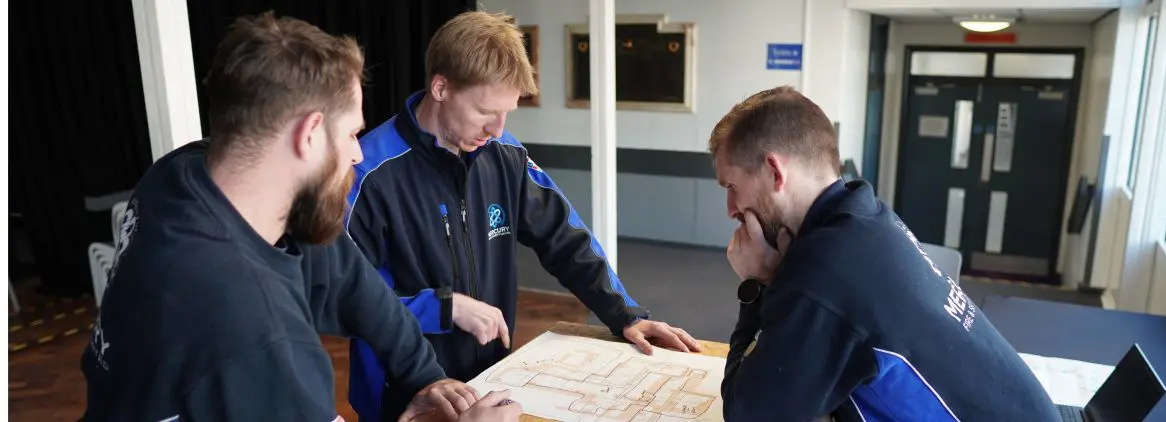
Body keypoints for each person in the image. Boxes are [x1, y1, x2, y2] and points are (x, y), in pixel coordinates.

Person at [78, 12, 522, 422]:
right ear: (309, 134)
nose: (358, 152)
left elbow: (351, 283)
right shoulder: (250, 321)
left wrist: (424, 374)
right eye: (351, 133)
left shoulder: (181, 174)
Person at [344, 10, 703, 422]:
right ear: (440, 87)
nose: (497, 129)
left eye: (507, 113)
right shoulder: (365, 172)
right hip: (405, 398)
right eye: (485, 112)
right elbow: (343, 301)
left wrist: (625, 315)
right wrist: (442, 308)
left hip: (488, 381)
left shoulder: (505, 154)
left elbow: (565, 238)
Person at [710, 86, 1059, 421]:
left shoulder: (825, 270)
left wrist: (756, 286)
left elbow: (748, 412)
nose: (730, 209)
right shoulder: (865, 217)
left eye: (732, 186)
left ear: (774, 171)